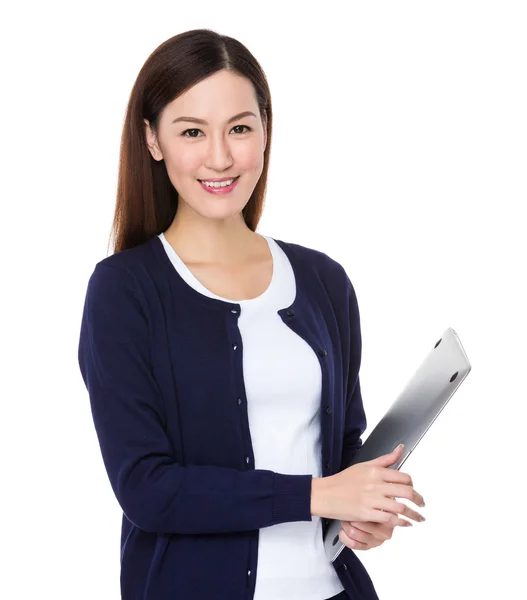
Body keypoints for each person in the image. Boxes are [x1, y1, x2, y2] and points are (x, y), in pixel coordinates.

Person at [77, 28, 426, 600]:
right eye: (192, 132)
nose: (220, 156)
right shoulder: (125, 291)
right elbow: (148, 490)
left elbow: (340, 457)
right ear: (153, 140)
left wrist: (363, 512)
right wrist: (317, 496)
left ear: (265, 130)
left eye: (240, 128)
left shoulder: (323, 282)